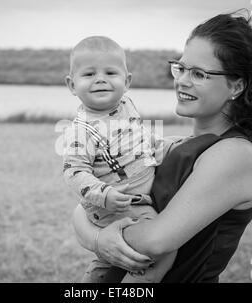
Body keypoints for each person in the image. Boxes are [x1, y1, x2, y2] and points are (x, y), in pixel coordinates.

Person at [72, 12, 252, 282]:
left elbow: (155, 242)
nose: (182, 81)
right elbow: (86, 205)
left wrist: (96, 236)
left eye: (199, 74)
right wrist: (96, 234)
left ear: (236, 85)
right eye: (181, 67)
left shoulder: (234, 154)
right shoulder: (183, 146)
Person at [62, 36, 177, 282]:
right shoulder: (81, 131)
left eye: (110, 72)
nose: (100, 79)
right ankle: (142, 282)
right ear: (72, 85)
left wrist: (161, 146)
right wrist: (104, 194)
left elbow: (139, 136)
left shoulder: (126, 105)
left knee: (110, 259)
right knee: (165, 245)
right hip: (115, 204)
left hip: (137, 197)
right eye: (89, 74)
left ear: (127, 82)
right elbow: (74, 172)